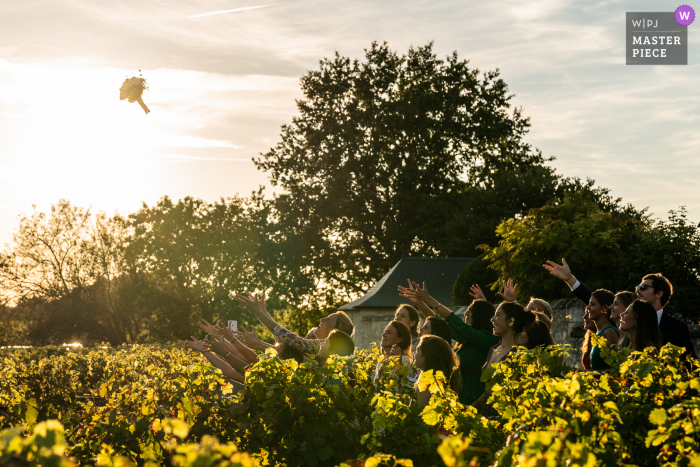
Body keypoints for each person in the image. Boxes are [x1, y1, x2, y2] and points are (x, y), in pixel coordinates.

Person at [398, 281, 498, 405]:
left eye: (470, 311)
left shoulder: (487, 339)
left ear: (480, 315)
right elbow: (439, 324)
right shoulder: (465, 340)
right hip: (457, 399)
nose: (466, 313)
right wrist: (420, 303)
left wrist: (429, 300)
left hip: (474, 402)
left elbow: (455, 322)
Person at [235, 292, 354, 356]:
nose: (322, 319)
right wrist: (262, 311)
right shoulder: (317, 347)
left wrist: (257, 312)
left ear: (336, 331)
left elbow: (287, 338)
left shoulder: (320, 346)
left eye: (328, 320)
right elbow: (285, 339)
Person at [472, 301, 536, 414]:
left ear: (511, 321)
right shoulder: (493, 349)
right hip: (486, 418)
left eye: (498, 315)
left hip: (505, 419)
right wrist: (470, 408)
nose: (492, 319)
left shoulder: (520, 354)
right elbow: (488, 391)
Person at [635, 274, 697, 361]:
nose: (637, 290)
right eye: (637, 287)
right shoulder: (632, 322)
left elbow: (690, 361)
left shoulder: (678, 327)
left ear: (659, 294)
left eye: (643, 287)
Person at [413, 336, 461, 407]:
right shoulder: (445, 380)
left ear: (425, 356)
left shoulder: (426, 383)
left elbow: (414, 412)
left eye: (417, 350)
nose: (414, 353)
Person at [374, 320, 413, 386]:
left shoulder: (404, 360)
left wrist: (398, 364)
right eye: (384, 332)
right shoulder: (382, 360)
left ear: (399, 339)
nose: (383, 335)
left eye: (389, 333)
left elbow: (404, 385)